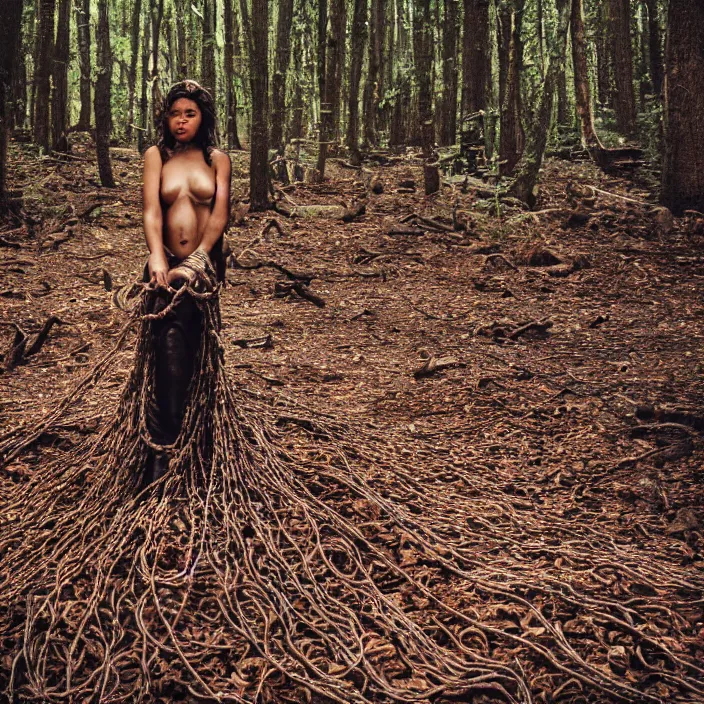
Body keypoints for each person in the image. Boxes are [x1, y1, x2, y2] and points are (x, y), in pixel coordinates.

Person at [141, 80, 231, 481]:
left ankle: (199, 438)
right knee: (167, 348)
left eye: (189, 114)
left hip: (204, 267)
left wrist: (197, 260)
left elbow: (220, 214)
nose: (181, 121)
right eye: (175, 114)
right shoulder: (156, 156)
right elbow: (150, 212)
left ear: (202, 118)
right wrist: (158, 255)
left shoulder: (217, 160)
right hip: (164, 267)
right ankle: (162, 448)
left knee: (197, 349)